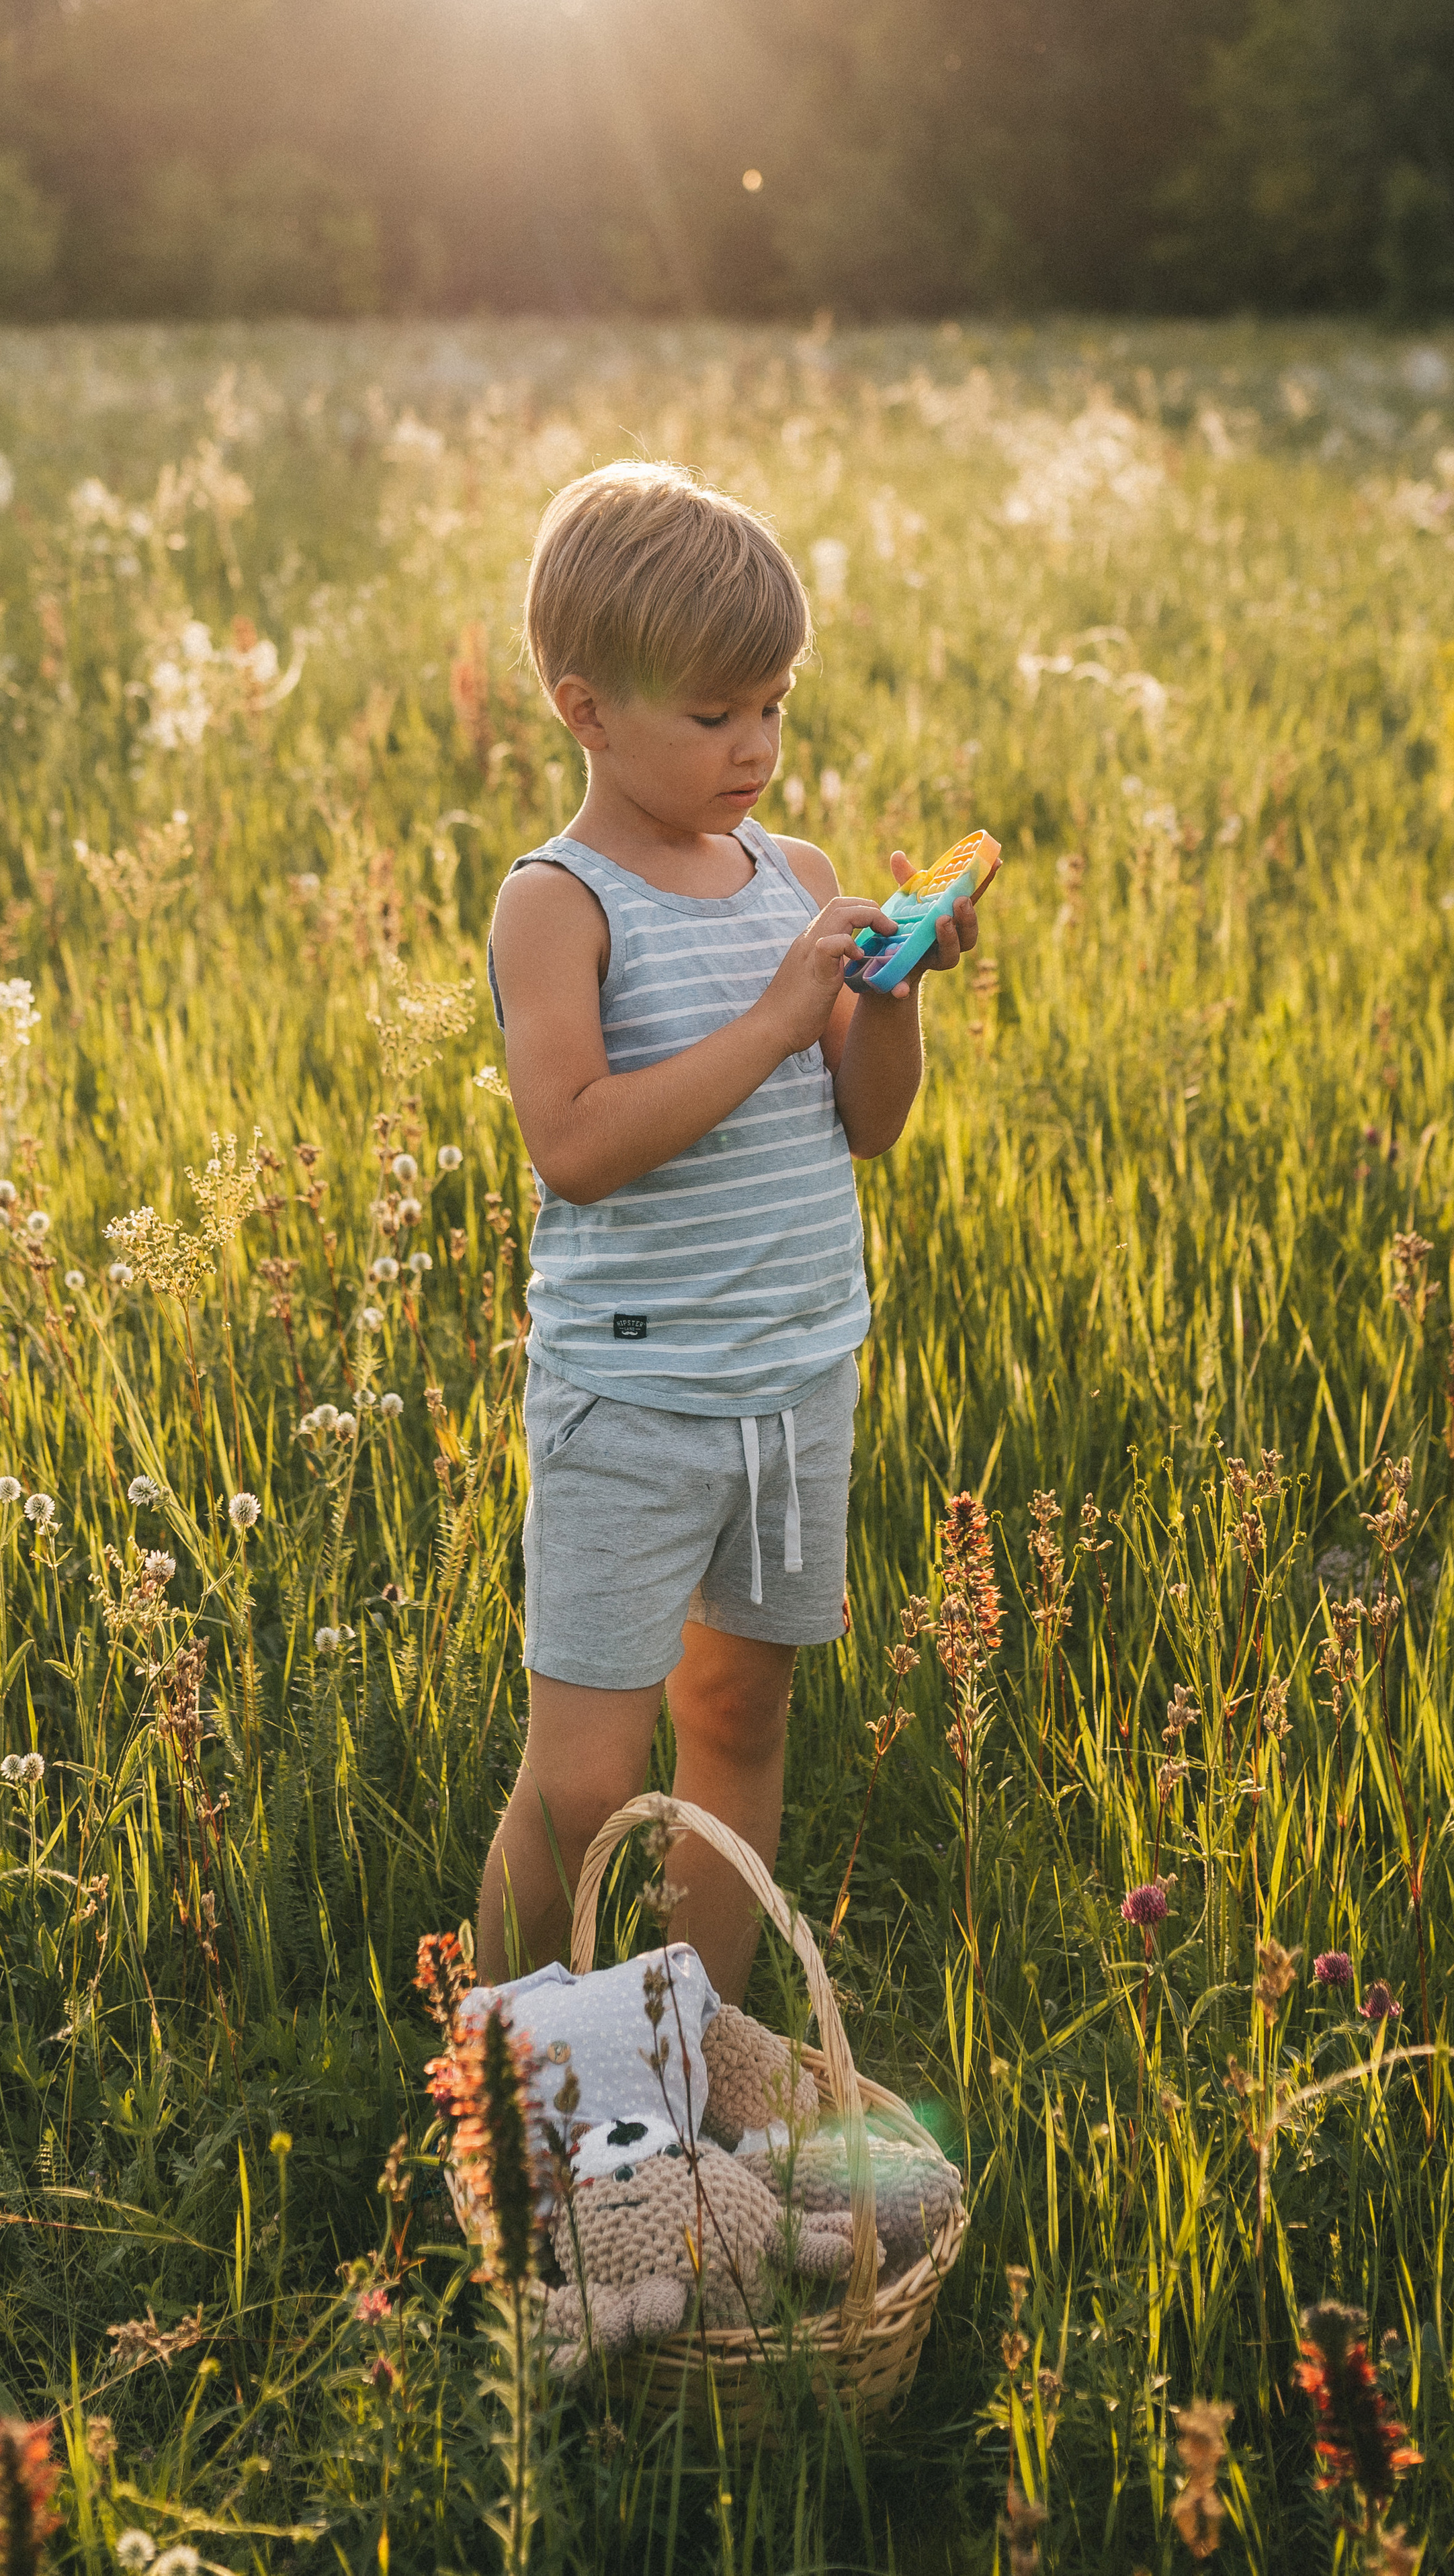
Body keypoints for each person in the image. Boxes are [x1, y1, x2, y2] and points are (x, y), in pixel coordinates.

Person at [477, 460, 980, 1997]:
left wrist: (878, 1000)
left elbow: (869, 1123)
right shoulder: (559, 905)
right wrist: (777, 1015)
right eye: (712, 716)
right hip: (633, 1403)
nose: (754, 747)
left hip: (792, 1380)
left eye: (772, 705)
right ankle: (491, 2069)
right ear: (587, 709)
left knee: (739, 1722)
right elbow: (573, 1147)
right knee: (582, 1775)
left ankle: (698, 2041)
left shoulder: (798, 881)